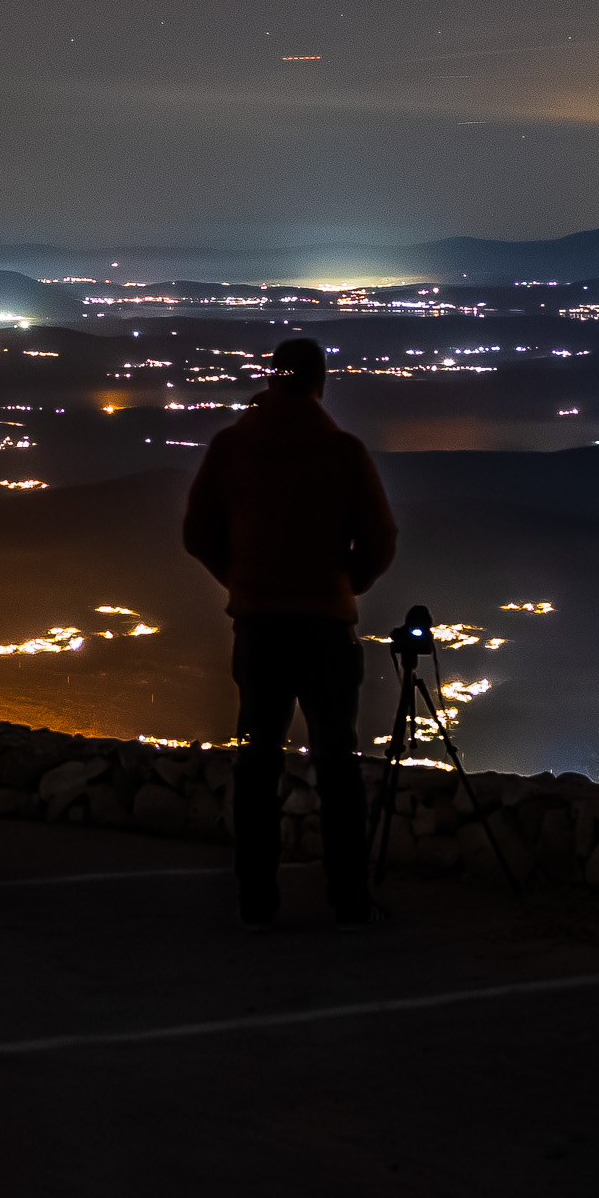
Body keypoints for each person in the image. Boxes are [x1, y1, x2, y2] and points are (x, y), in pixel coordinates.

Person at [180, 337, 397, 928]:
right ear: (321, 382)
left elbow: (197, 533)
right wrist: (343, 585)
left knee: (256, 762)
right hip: (326, 632)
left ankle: (256, 899)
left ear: (270, 380)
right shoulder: (342, 452)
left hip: (258, 631)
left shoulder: (233, 448)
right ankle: (349, 900)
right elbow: (380, 538)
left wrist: (241, 581)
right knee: (337, 762)